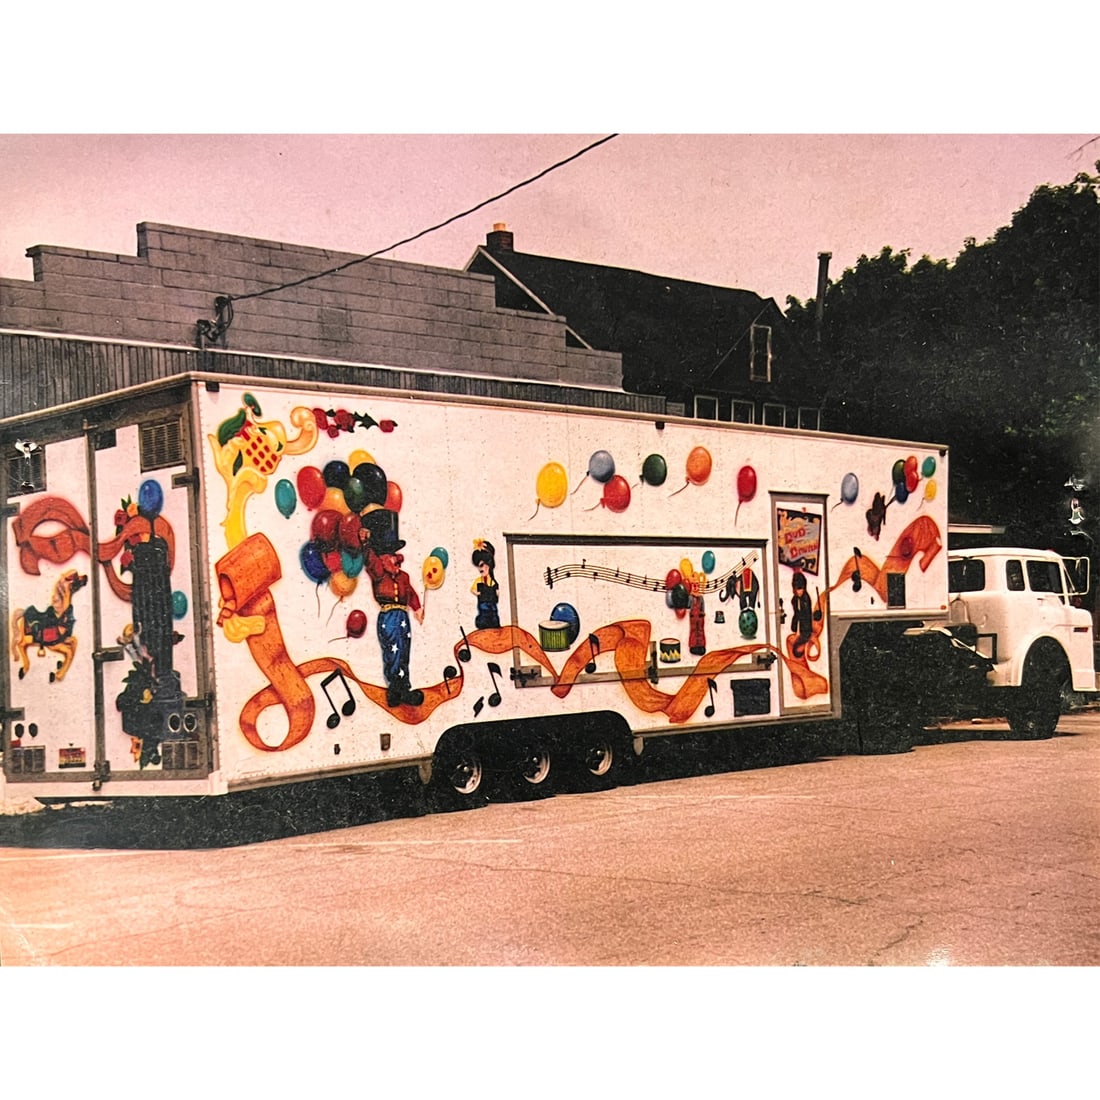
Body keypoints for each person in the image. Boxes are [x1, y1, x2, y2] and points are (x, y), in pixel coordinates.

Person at [361, 509, 425, 708]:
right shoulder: (379, 571)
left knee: (404, 649)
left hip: (402, 616)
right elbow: (369, 559)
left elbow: (411, 593)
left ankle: (403, 686)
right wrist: (365, 543)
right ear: (382, 558)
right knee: (392, 649)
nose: (396, 559)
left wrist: (417, 608)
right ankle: (394, 686)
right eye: (391, 555)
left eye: (396, 555)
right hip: (388, 615)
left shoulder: (403, 576)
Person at [470, 539, 500, 630]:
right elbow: (472, 589)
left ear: (489, 565)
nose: (480, 569)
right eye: (479, 566)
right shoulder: (479, 581)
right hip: (483, 614)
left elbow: (497, 593)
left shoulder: (493, 582)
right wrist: (478, 593)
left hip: (493, 615)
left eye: (482, 565)